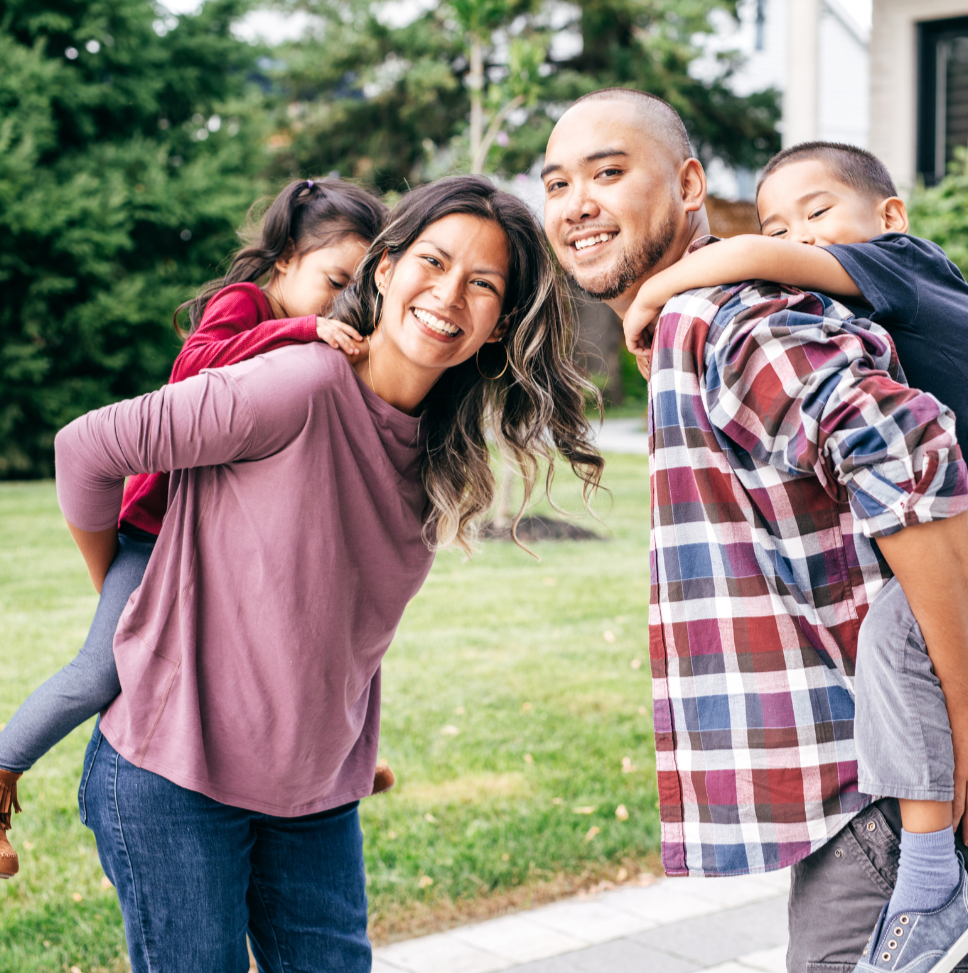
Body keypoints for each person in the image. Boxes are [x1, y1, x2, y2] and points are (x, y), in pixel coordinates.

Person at [52, 175, 603, 973]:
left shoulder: (444, 455)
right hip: (173, 775)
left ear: (498, 325)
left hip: (313, 796)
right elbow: (85, 449)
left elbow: (334, 615)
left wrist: (345, 738)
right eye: (434, 261)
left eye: (483, 284)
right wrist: (127, 593)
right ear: (384, 270)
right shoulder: (299, 383)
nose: (449, 294)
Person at [541, 88, 968, 973]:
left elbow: (913, 456)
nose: (577, 201)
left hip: (889, 802)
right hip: (878, 792)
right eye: (557, 182)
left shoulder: (723, 315)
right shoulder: (695, 319)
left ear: (690, 183)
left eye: (609, 172)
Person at [0, 177, 388, 880]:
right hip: (159, 531)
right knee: (100, 670)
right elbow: (194, 367)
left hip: (222, 535)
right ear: (284, 263)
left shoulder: (321, 339)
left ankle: (336, 756)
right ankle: (1, 766)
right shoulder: (243, 305)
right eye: (333, 281)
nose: (342, 306)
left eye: (357, 294)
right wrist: (300, 329)